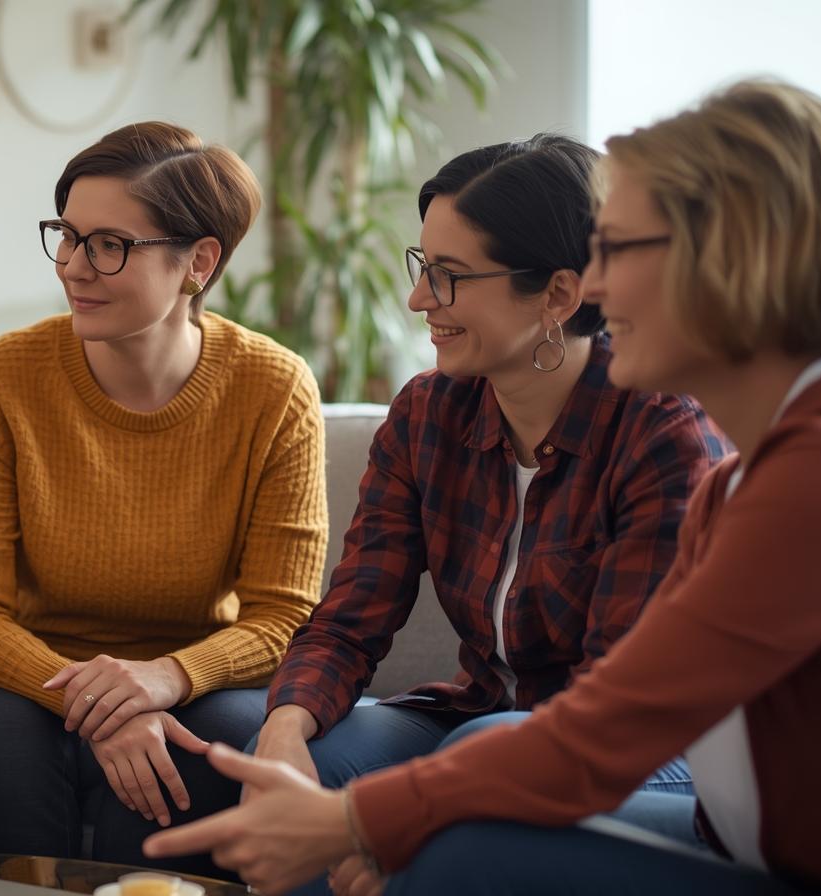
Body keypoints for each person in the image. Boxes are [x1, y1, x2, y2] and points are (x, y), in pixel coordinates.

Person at [145, 79, 821, 896]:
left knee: (466, 822)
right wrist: (300, 746)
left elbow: (609, 724)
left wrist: (365, 823)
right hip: (722, 827)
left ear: (729, 263)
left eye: (621, 251)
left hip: (739, 828)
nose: (598, 288)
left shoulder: (808, 475)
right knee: (362, 780)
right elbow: (354, 618)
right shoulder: (752, 474)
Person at [250, 135, 726, 834]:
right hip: (484, 717)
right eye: (423, 266)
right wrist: (285, 732)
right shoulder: (428, 412)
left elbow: (617, 695)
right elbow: (350, 620)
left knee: (484, 750)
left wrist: (394, 819)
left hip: (643, 749)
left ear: (558, 294)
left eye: (448, 275)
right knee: (285, 751)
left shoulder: (660, 434)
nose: (418, 299)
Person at [0, 121, 327, 876]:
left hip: (196, 672)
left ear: (198, 262)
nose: (74, 267)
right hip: (31, 670)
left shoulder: (274, 388)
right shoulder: (1, 377)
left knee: (213, 742)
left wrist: (164, 679)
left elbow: (284, 616)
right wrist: (100, 702)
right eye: (67, 236)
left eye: (110, 244)